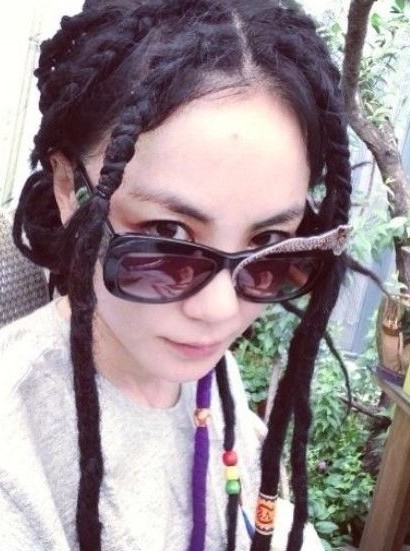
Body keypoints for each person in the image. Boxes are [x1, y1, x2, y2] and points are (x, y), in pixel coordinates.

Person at [0, 0, 352, 550]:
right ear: (69, 188)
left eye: (268, 245)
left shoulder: (206, 374)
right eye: (168, 235)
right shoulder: (16, 458)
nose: (219, 310)